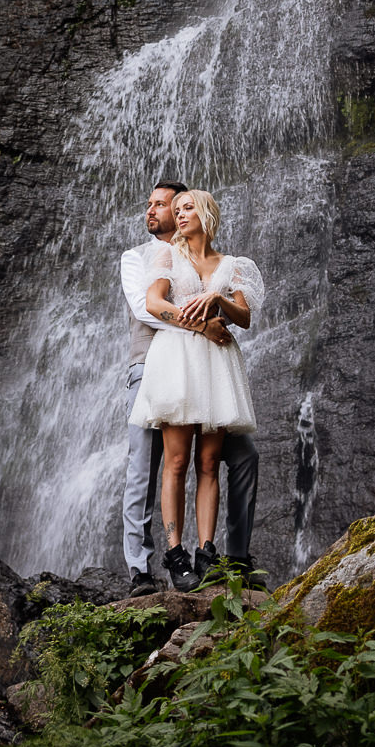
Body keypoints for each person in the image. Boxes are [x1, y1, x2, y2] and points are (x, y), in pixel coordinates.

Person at [120, 181, 261, 594]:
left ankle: (222, 556)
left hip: (216, 371)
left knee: (223, 460)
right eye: (166, 207)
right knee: (154, 466)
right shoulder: (146, 256)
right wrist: (202, 325)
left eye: (173, 205)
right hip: (160, 365)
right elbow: (147, 305)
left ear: (203, 211)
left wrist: (217, 299)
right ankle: (147, 567)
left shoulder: (229, 263)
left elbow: (243, 314)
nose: (158, 211)